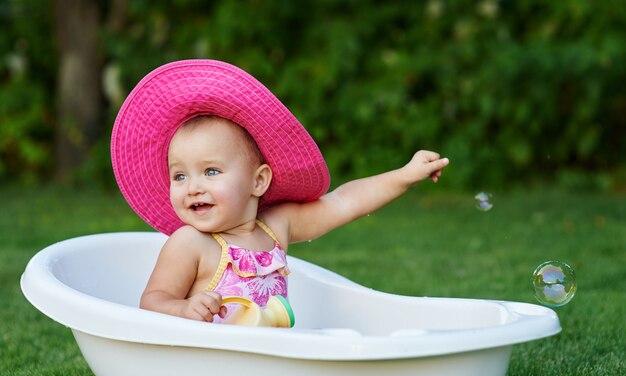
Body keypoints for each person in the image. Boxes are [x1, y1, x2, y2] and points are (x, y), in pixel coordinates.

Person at [111, 59, 449, 323]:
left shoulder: (276, 227)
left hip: (266, 363)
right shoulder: (190, 243)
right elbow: (152, 301)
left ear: (258, 182)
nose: (193, 187)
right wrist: (184, 309)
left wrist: (405, 175)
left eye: (211, 171)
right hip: (211, 365)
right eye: (179, 176)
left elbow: (345, 203)